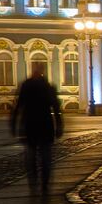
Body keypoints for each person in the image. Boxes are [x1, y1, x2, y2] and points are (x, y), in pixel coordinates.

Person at [10, 61, 63, 193]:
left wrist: (13, 125)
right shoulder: (48, 87)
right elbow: (56, 108)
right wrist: (59, 126)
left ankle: (33, 182)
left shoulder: (26, 86)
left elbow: (18, 107)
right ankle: (44, 183)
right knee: (45, 156)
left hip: (30, 125)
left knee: (31, 155)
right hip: (45, 125)